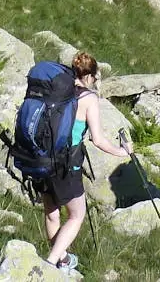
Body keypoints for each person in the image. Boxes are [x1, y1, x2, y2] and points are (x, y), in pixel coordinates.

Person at [41, 52, 131, 272]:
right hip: (66, 163)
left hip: (41, 158)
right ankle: (50, 265)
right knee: (77, 215)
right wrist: (122, 152)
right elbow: (98, 140)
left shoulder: (55, 88)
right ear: (89, 76)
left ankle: (62, 260)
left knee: (52, 213)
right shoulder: (89, 98)